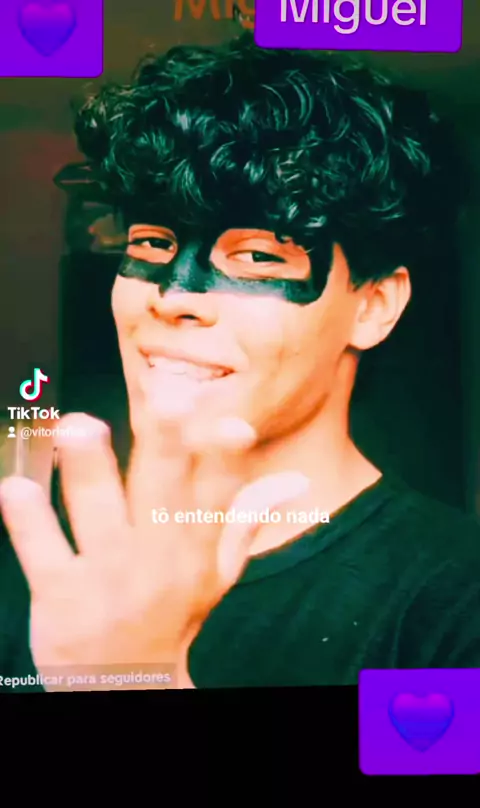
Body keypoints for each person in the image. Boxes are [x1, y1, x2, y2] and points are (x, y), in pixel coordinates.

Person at [0, 35, 479, 691]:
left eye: (257, 257)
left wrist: (127, 677)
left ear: (373, 307)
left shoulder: (454, 607)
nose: (174, 298)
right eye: (152, 242)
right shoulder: (30, 553)